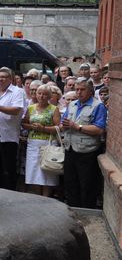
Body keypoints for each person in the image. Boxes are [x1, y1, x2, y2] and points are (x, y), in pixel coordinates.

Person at [60, 79, 107, 208]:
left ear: (90, 91)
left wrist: (77, 126)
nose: (79, 92)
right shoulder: (72, 104)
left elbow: (99, 129)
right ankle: (73, 211)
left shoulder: (98, 106)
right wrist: (63, 125)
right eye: (77, 89)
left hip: (87, 152)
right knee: (70, 183)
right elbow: (64, 121)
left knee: (87, 185)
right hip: (70, 149)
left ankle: (87, 213)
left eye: (82, 90)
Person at [0, 67, 25, 191]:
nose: (0, 79)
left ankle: (9, 191)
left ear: (10, 78)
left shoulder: (17, 91)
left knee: (8, 168)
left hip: (8, 136)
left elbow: (17, 109)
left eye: (3, 77)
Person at [21, 84, 60, 197]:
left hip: (48, 143)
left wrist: (43, 128)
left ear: (49, 96)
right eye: (39, 93)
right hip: (33, 143)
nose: (42, 96)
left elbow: (59, 127)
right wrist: (32, 127)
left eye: (45, 94)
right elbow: (24, 123)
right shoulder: (31, 108)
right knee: (34, 171)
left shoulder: (54, 109)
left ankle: (46, 197)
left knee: (46, 171)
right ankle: (37, 196)